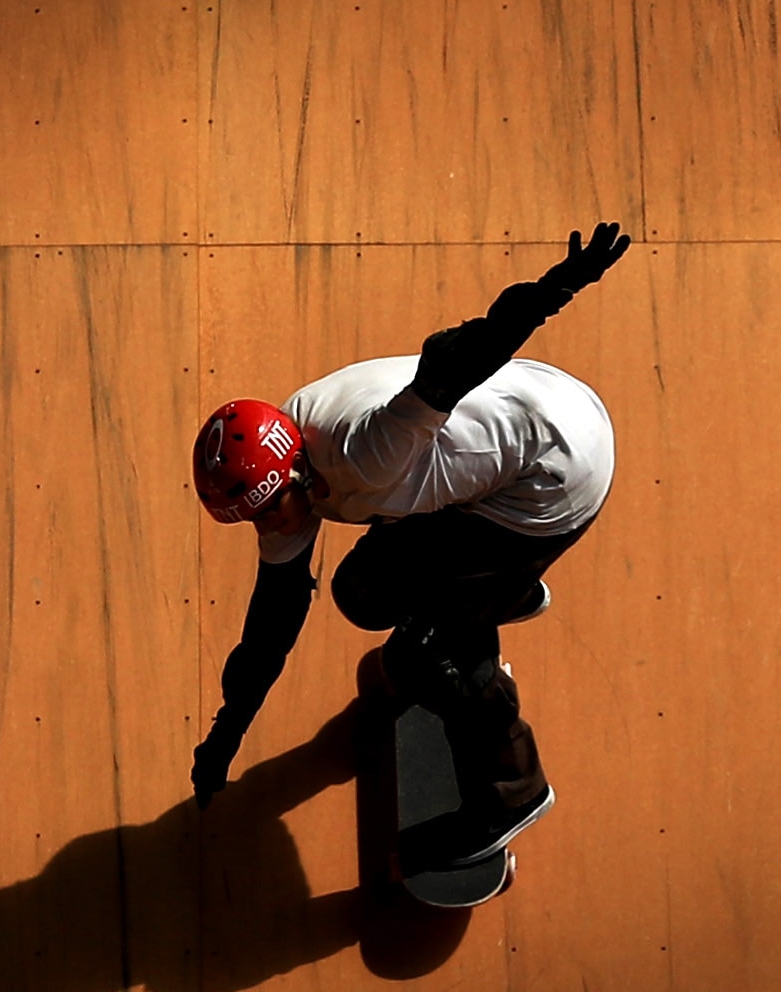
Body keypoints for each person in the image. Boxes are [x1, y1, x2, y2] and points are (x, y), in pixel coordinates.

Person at [188, 227, 630, 808]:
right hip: (517, 419)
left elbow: (457, 357)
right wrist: (227, 732)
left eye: (268, 511)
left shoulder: (365, 451)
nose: (267, 527)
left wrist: (557, 286)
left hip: (554, 473)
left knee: (426, 650)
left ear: (296, 472)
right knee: (360, 591)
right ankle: (501, 591)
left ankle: (515, 787)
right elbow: (272, 622)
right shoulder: (289, 461)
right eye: (250, 521)